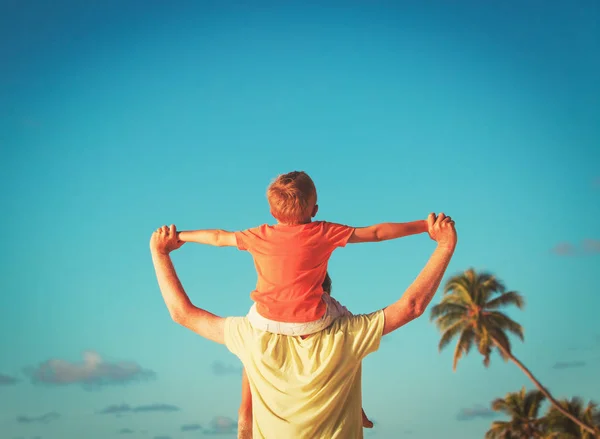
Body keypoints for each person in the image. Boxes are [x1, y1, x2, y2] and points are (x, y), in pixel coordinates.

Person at [150, 212, 457, 438]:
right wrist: (443, 246)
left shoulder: (253, 336)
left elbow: (183, 314)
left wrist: (160, 252)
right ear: (325, 294)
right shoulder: (348, 336)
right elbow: (412, 306)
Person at [177, 171, 429, 430]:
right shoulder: (322, 231)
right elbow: (376, 233)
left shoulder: (259, 235)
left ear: (273, 213)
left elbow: (218, 237)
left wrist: (180, 237)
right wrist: (424, 226)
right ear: (315, 209)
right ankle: (357, 406)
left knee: (252, 339)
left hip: (266, 321)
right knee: (345, 321)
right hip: (313, 322)